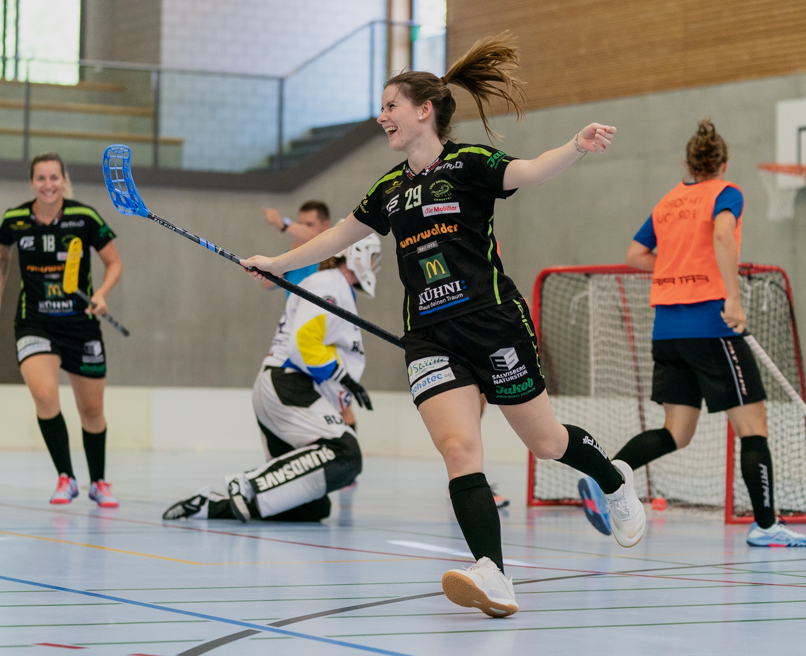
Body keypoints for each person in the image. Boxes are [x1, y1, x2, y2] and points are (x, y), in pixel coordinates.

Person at [241, 33, 645, 619]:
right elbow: (338, 236)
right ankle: (495, 574)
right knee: (459, 447)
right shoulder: (389, 189)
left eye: (390, 106)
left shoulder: (470, 164)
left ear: (423, 110)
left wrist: (576, 146)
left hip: (494, 324)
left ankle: (613, 482)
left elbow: (529, 172)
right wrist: (278, 264)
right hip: (429, 336)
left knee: (546, 442)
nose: (382, 118)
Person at [578, 120, 806, 548]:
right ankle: (764, 526)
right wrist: (734, 298)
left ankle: (607, 477)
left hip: (668, 332)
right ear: (723, 163)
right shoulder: (726, 192)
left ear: (688, 163)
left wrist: (677, 270)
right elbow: (723, 232)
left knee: (676, 432)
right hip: (712, 328)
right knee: (753, 426)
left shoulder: (669, 201)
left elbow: (635, 255)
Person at [162, 234, 382, 523]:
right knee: (347, 454)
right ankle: (246, 484)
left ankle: (210, 504)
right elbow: (304, 343)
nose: (375, 265)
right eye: (373, 257)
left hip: (285, 390)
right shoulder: (330, 284)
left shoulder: (333, 285)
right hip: (288, 386)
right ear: (358, 254)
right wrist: (345, 378)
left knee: (312, 507)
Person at [0, 153, 124, 508]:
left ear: (64, 180)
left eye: (54, 178)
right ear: (32, 182)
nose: (48, 185)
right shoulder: (15, 219)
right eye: (41, 178)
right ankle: (66, 477)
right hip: (35, 321)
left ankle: (99, 481)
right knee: (44, 394)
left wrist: (102, 295)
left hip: (80, 324)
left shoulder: (84, 216)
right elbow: (1, 255)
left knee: (91, 409)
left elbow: (114, 262)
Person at [259, 201, 331, 292]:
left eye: (309, 225)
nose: (302, 229)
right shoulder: (293, 252)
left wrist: (282, 223)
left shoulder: (337, 251)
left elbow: (313, 237)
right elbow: (267, 284)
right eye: (300, 224)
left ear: (325, 225)